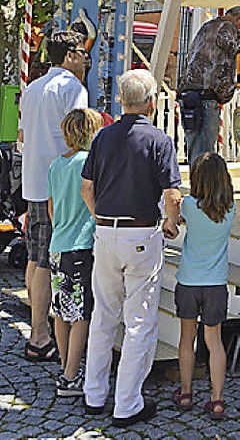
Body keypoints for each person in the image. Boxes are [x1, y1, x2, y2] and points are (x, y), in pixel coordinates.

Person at [81, 68, 181, 426]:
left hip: (106, 232)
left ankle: (94, 394)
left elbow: (86, 190)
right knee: (138, 321)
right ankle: (127, 403)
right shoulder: (158, 140)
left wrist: (102, 220)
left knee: (104, 316)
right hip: (140, 234)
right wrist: (171, 221)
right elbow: (172, 194)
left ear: (121, 100)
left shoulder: (103, 137)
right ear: (152, 103)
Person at [19, 29, 88, 362]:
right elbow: (79, 133)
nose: (86, 57)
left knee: (35, 256)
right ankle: (40, 335)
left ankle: (38, 326)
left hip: (33, 179)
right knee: (46, 260)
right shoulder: (71, 87)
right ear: (70, 55)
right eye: (82, 52)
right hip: (57, 184)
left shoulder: (32, 87)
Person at [170, 152, 235, 421]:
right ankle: (217, 399)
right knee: (214, 341)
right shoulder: (230, 207)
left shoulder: (188, 205)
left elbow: (177, 215)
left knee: (187, 339)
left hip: (188, 281)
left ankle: (186, 393)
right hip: (215, 283)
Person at [47, 108, 103, 396]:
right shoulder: (88, 164)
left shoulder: (56, 164)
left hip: (57, 245)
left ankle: (65, 366)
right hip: (81, 246)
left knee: (60, 312)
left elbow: (51, 207)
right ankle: (72, 374)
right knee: (81, 313)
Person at [178, 6, 240, 165]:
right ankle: (205, 185)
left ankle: (197, 183)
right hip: (206, 96)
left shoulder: (208, 26)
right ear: (237, 20)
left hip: (188, 94)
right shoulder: (226, 27)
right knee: (206, 150)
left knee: (194, 147)